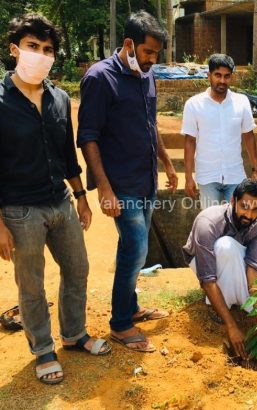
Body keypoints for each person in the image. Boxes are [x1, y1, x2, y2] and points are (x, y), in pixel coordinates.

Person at [0, 13, 111, 385]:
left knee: (77, 268)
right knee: (31, 282)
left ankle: (74, 334)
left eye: (48, 49)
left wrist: (81, 197)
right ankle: (42, 348)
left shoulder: (60, 98)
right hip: (20, 209)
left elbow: (67, 154)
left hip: (60, 201)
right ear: (15, 49)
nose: (40, 54)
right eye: (33, 47)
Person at [77, 10, 178, 352]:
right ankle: (120, 324)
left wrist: (167, 163)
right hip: (120, 183)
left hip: (146, 178)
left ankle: (130, 307)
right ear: (129, 44)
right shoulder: (100, 78)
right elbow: (88, 136)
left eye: (157, 54)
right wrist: (104, 188)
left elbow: (151, 126)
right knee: (136, 247)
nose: (153, 60)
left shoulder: (147, 76)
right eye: (148, 52)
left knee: (133, 248)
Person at [182, 179, 257, 358]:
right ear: (232, 201)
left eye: (255, 209)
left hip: (234, 254)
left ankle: (247, 307)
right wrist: (231, 326)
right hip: (203, 260)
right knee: (226, 246)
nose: (249, 214)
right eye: (244, 206)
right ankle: (224, 310)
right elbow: (207, 280)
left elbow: (253, 266)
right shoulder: (209, 223)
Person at [181, 54, 257, 209]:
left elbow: (249, 137)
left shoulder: (241, 102)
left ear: (231, 77)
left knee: (238, 222)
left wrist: (255, 170)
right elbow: (190, 142)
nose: (222, 81)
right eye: (218, 75)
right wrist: (188, 177)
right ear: (209, 75)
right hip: (207, 177)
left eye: (227, 76)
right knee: (211, 224)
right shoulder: (193, 105)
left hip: (235, 175)